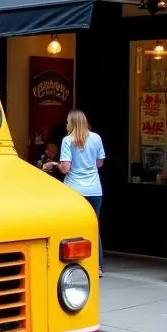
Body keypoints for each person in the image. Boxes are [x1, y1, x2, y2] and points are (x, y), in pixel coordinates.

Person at [60, 109, 105, 275]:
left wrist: (55, 165)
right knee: (94, 226)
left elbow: (65, 168)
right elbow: (100, 163)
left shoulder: (67, 140)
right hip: (94, 189)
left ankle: (74, 263)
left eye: (67, 121)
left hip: (74, 189)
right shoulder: (96, 138)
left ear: (72, 123)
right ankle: (98, 266)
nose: (66, 124)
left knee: (72, 225)